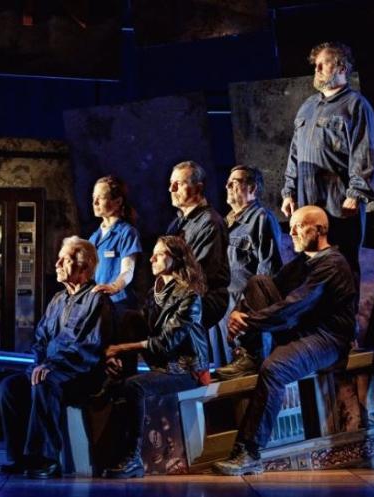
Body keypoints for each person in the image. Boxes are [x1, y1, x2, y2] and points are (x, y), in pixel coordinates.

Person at [212, 206, 357, 476]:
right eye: (291, 226)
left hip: (327, 338)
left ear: (320, 230)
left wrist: (248, 321)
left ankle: (249, 453)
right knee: (258, 282)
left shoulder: (332, 263)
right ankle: (252, 355)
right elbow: (273, 287)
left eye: (299, 226)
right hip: (302, 328)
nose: (291, 232)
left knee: (274, 370)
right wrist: (238, 313)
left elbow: (295, 306)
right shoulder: (305, 260)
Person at [0, 236, 113, 479]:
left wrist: (51, 366)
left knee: (45, 384)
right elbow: (40, 339)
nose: (57, 264)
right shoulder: (58, 299)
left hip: (81, 373)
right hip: (50, 369)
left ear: (84, 267)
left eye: (65, 260)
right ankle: (18, 457)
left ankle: (46, 459)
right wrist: (39, 364)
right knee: (8, 387)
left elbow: (89, 347)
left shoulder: (97, 299)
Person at [101, 235, 209, 479]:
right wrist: (117, 355)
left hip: (185, 369)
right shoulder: (155, 292)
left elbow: (166, 342)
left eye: (159, 254)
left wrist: (120, 348)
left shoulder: (189, 296)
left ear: (175, 258)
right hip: (162, 364)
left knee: (134, 387)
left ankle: (133, 459)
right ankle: (111, 454)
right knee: (129, 320)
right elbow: (143, 331)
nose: (151, 259)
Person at [281, 41, 374, 290]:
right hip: (307, 203)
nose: (317, 69)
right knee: (310, 267)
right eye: (316, 65)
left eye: (323, 64)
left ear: (341, 67)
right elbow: (295, 153)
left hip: (339, 204)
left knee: (342, 265)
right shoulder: (307, 107)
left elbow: (364, 152)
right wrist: (289, 191)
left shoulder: (356, 105)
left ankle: (345, 313)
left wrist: (356, 194)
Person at [216, 165, 282, 373]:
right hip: (226, 315)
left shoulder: (261, 218)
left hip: (247, 319)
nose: (227, 186)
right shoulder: (225, 223)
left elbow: (268, 271)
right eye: (228, 182)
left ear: (252, 188)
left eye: (234, 182)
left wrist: (246, 307)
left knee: (253, 377)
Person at [165, 161, 230, 331]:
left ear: (198, 188)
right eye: (171, 183)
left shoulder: (210, 223)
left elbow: (199, 274)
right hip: (180, 297)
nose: (171, 189)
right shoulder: (177, 224)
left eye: (179, 184)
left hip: (201, 302)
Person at [88, 175, 143, 317]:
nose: (95, 202)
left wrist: (114, 287)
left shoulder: (127, 233)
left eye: (101, 197)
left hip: (121, 306)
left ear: (118, 202)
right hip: (99, 306)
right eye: (94, 197)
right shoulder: (93, 238)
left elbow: (128, 271)